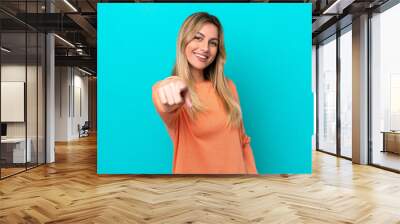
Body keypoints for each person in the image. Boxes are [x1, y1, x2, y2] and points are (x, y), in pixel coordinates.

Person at [152, 12, 258, 174]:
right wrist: (169, 89)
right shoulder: (176, 91)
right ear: (183, 41)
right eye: (198, 38)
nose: (205, 48)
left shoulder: (229, 87)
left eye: (213, 43)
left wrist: (253, 182)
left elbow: (243, 142)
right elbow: (164, 100)